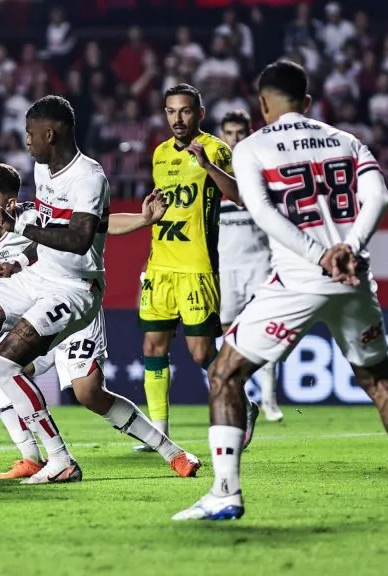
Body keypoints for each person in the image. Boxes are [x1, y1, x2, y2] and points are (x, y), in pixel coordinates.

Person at [175, 60, 388, 521]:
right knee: (381, 383)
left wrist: (318, 254)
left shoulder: (251, 147)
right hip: (353, 279)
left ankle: (226, 493)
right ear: (308, 101)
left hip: (298, 280)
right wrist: (348, 247)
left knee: (225, 374)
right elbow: (380, 196)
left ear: (263, 104)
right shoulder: (347, 140)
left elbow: (263, 213)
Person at [0, 164, 200, 479]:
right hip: (30, 308)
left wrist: (144, 220)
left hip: (69, 306)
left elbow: (95, 227)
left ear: (8, 202)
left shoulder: (34, 218)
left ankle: (173, 453)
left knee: (89, 394)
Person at [137, 83, 253, 451]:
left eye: (185, 111)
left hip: (197, 268)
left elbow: (240, 195)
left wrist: (207, 167)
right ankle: (159, 434)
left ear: (199, 114)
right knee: (153, 347)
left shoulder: (216, 149)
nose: (178, 118)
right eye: (171, 111)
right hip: (160, 266)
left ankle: (243, 401)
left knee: (201, 353)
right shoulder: (158, 154)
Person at [218, 109, 284, 422]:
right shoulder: (211, 173)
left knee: (263, 330)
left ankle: (269, 400)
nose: (234, 139)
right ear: (221, 135)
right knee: (225, 332)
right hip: (225, 265)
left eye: (239, 133)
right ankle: (240, 397)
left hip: (259, 263)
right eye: (228, 133)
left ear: (249, 133)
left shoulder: (261, 168)